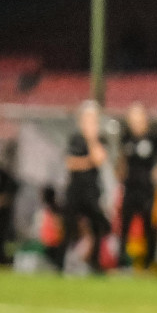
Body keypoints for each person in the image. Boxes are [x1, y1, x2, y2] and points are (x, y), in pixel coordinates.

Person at [117, 103, 157, 271]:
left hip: (147, 189)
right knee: (125, 225)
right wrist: (120, 172)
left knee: (149, 226)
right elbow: (122, 159)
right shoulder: (126, 138)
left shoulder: (154, 139)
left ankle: (149, 263)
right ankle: (122, 262)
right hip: (130, 188)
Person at [63, 101, 110, 273]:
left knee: (98, 224)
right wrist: (88, 161)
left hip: (92, 189)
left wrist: (92, 140)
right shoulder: (75, 138)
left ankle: (94, 263)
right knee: (69, 224)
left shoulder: (98, 139)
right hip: (75, 188)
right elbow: (70, 163)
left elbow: (99, 158)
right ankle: (65, 263)